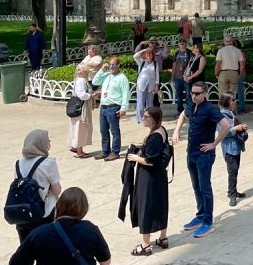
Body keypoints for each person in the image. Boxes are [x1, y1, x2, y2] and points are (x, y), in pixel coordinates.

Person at [172, 80, 232, 238]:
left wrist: (214, 143)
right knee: (196, 185)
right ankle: (199, 216)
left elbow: (226, 125)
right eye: (192, 93)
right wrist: (176, 131)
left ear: (205, 93)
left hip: (204, 154)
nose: (193, 96)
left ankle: (207, 221)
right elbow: (182, 115)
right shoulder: (191, 106)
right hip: (191, 152)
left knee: (205, 187)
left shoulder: (210, 109)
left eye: (197, 93)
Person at [9, 187, 110, 265]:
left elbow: (16, 262)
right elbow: (105, 261)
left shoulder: (38, 234)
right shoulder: (90, 229)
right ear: (84, 209)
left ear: (58, 206)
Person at [125, 106, 169, 255]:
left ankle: (145, 244)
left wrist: (136, 157)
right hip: (159, 176)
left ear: (154, 119)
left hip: (150, 177)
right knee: (161, 205)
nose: (143, 119)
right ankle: (163, 237)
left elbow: (151, 161)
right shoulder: (161, 130)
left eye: (146, 117)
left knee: (146, 207)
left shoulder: (155, 136)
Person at [13, 130, 62, 242]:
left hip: (23, 214)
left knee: (26, 250)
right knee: (45, 251)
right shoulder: (48, 163)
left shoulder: (18, 163)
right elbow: (56, 190)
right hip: (44, 214)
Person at [95, 57, 130, 161]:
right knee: (103, 130)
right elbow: (96, 81)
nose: (111, 67)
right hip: (104, 106)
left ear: (118, 65)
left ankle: (115, 151)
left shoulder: (122, 78)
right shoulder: (107, 75)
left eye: (113, 65)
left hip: (113, 106)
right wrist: (102, 69)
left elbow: (125, 94)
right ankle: (105, 151)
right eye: (110, 65)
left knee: (114, 131)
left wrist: (124, 108)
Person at [218, 92, 249, 206]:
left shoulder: (231, 113)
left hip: (236, 147)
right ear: (227, 102)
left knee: (235, 170)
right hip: (229, 148)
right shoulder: (221, 115)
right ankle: (232, 194)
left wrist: (241, 127)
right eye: (233, 100)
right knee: (232, 171)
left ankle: (233, 190)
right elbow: (222, 133)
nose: (235, 102)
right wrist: (237, 128)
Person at [69, 64, 96, 158]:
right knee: (81, 128)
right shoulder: (81, 81)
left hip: (78, 107)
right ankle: (79, 151)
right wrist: (91, 95)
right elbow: (81, 94)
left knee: (77, 127)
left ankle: (76, 147)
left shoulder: (79, 80)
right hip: (82, 108)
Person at [133, 44, 161, 124]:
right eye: (147, 54)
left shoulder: (155, 64)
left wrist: (156, 85)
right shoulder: (141, 62)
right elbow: (135, 56)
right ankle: (140, 119)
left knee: (150, 104)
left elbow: (157, 76)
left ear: (152, 55)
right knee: (140, 104)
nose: (148, 55)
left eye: (150, 53)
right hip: (141, 85)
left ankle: (149, 119)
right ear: (145, 55)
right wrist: (145, 50)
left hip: (151, 86)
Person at [215, 35, 244, 99]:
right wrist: (239, 74)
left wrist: (216, 74)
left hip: (223, 73)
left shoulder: (220, 51)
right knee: (232, 95)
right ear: (232, 41)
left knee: (222, 94)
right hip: (234, 73)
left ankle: (223, 109)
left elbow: (218, 64)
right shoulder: (238, 51)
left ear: (224, 42)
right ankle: (232, 108)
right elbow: (242, 65)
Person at [171, 40, 193, 115]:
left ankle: (189, 111)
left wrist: (191, 75)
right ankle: (179, 111)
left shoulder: (190, 52)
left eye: (184, 41)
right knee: (178, 96)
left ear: (186, 43)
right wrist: (172, 77)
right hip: (177, 78)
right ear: (178, 43)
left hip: (186, 78)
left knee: (188, 95)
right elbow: (174, 65)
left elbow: (192, 64)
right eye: (180, 41)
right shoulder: (176, 53)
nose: (182, 42)